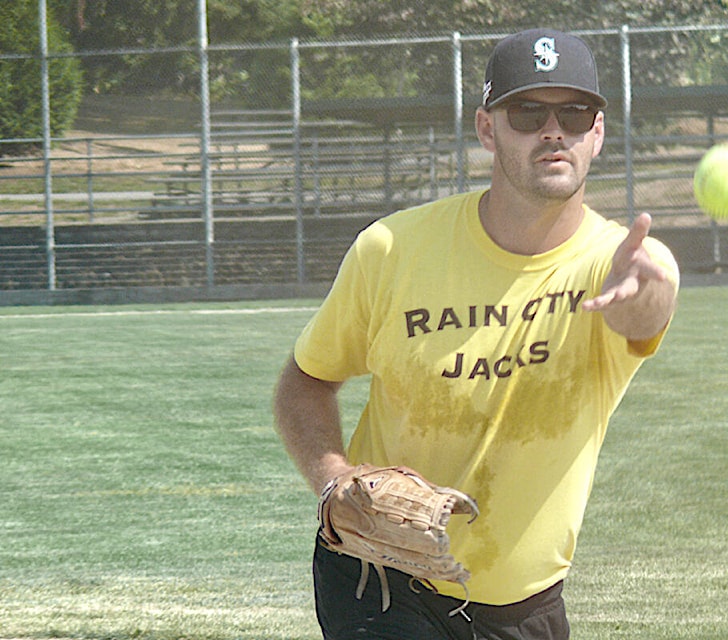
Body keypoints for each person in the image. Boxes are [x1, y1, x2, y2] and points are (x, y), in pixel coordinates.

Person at [273, 27, 680, 640]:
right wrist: (334, 483)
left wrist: (648, 289)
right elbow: (305, 383)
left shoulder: (621, 263)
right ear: (487, 128)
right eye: (527, 111)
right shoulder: (392, 250)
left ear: (597, 132)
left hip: (523, 603)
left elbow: (641, 312)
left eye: (574, 113)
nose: (553, 131)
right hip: (379, 579)